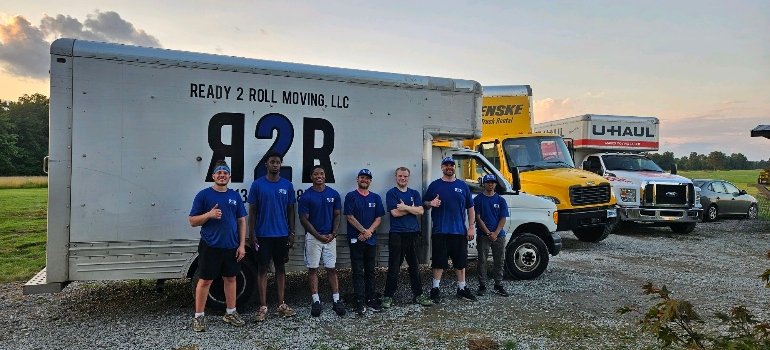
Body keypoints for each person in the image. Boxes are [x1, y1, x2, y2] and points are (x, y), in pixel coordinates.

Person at [188, 160, 247, 332]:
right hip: (210, 246)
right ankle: (198, 316)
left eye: (225, 173)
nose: (222, 175)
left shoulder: (235, 196)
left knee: (231, 279)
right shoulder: (203, 195)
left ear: (229, 176)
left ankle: (230, 312)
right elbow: (192, 221)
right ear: (213, 176)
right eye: (219, 173)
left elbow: (241, 221)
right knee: (205, 280)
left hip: (231, 246)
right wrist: (209, 214)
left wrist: (242, 245)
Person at [247, 152, 297, 322]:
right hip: (263, 235)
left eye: (278, 162)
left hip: (282, 234)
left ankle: (281, 304)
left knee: (281, 268)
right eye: (272, 162)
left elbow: (291, 210)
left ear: (280, 165)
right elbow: (252, 211)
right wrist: (251, 234)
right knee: (262, 269)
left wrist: (292, 232)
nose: (275, 165)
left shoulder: (287, 185)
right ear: (266, 165)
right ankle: (263, 306)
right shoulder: (257, 185)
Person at [424, 156, 477, 303]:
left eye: (451, 165)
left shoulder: (463, 186)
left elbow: (470, 208)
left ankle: (462, 288)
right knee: (439, 262)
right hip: (440, 230)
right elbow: (425, 203)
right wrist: (431, 203)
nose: (449, 167)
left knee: (460, 263)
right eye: (446, 165)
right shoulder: (435, 185)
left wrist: (471, 227)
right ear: (442, 167)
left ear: (454, 167)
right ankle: (435, 289)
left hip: (459, 231)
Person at [382, 167, 433, 308]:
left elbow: (421, 210)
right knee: (394, 267)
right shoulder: (391, 193)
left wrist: (404, 207)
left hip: (413, 234)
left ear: (408, 178)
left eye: (405, 176)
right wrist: (412, 209)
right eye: (400, 176)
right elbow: (395, 213)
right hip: (397, 234)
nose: (402, 178)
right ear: (396, 177)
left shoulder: (414, 193)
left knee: (415, 267)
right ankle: (388, 296)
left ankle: (418, 295)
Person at [298, 165, 346, 317]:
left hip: (330, 238)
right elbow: (304, 219)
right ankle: (316, 301)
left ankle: (336, 300)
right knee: (313, 269)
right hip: (313, 238)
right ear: (311, 177)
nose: (319, 175)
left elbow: (337, 215)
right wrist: (317, 235)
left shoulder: (334, 194)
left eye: (321, 173)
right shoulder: (306, 196)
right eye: (315, 174)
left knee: (331, 269)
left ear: (325, 176)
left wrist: (334, 233)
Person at [344, 168, 385, 315]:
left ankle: (371, 299)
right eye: (362, 177)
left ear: (370, 181)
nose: (364, 180)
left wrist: (369, 232)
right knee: (357, 272)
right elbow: (349, 216)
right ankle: (360, 301)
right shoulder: (351, 196)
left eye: (367, 178)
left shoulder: (375, 198)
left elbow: (379, 218)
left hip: (370, 240)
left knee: (370, 271)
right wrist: (363, 231)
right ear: (357, 179)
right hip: (356, 240)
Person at [473, 174, 510, 297]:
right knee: (482, 261)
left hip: (499, 235)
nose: (491, 184)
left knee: (499, 260)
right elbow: (477, 218)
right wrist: (488, 232)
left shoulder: (501, 200)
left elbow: (503, 218)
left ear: (495, 184)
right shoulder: (478, 199)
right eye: (488, 182)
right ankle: (482, 285)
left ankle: (498, 284)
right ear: (484, 184)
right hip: (483, 235)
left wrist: (496, 233)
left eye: (493, 182)